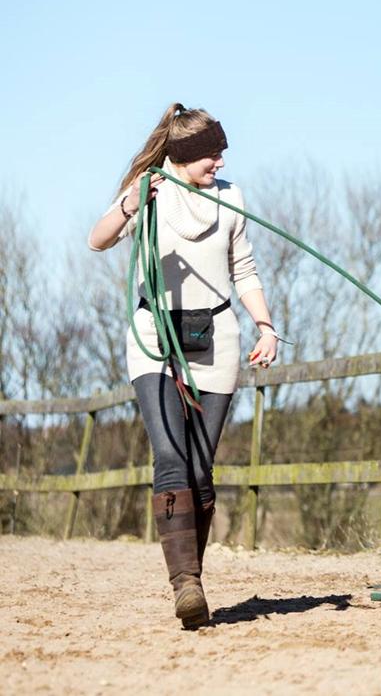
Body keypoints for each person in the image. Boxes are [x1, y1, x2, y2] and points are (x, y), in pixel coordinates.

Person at [88, 103, 280, 628]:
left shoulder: (231, 198)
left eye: (220, 155)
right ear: (185, 156)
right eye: (210, 156)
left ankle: (192, 571)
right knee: (170, 457)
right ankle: (186, 587)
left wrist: (266, 326)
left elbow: (244, 269)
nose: (218, 164)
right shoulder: (149, 190)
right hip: (156, 337)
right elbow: (97, 239)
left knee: (200, 470)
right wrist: (128, 205)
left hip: (217, 337)